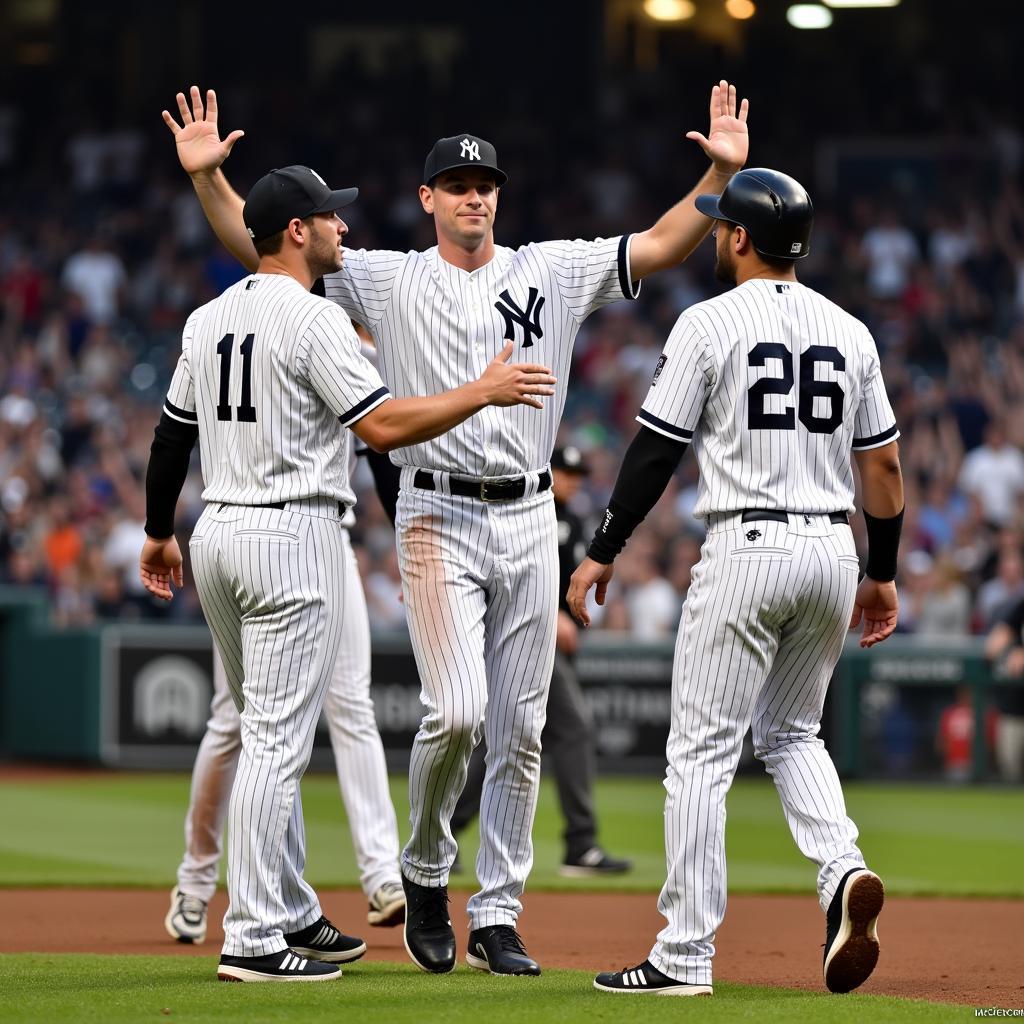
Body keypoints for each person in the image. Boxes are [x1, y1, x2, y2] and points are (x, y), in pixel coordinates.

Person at [161, 80, 749, 976]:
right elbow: (271, 237)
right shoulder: (386, 277)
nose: (475, 195)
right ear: (428, 198)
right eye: (458, 183)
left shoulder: (549, 268)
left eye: (487, 183)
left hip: (528, 515)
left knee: (520, 728)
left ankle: (500, 914)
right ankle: (427, 872)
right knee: (457, 711)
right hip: (434, 508)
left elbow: (665, 242)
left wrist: (717, 172)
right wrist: (210, 180)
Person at [140, 163, 556, 983]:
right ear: (296, 231)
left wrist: (158, 531)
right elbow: (389, 426)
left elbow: (168, 438)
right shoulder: (316, 320)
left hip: (218, 529)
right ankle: (255, 936)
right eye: (329, 217)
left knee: (263, 724)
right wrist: (481, 392)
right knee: (274, 741)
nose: (342, 227)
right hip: (292, 531)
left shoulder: (207, 318)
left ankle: (292, 908)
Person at [568, 168, 905, 996]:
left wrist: (605, 545)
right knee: (793, 733)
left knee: (700, 756)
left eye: (722, 226)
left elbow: (655, 447)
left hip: (747, 546)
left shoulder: (708, 323)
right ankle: (841, 870)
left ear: (742, 237)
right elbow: (887, 467)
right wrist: (884, 573)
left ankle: (684, 954)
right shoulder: (851, 331)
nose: (716, 235)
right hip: (832, 549)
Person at [165, 451, 408, 948]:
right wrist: (156, 524)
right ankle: (195, 880)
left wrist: (405, 540)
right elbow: (174, 432)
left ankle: (382, 874)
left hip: (327, 533)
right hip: (247, 526)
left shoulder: (345, 367)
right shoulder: (229, 366)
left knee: (352, 706)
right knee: (234, 719)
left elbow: (378, 451)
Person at [449, 446, 632, 877]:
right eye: (565, 471)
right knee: (570, 728)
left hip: (542, 638)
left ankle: (445, 833)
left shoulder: (569, 516)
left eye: (578, 472)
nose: (572, 479)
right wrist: (551, 615)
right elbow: (505, 568)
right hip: (522, 630)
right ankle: (580, 844)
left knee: (504, 737)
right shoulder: (526, 507)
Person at [983, 595, 1024, 781]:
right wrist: (1010, 649)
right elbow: (993, 646)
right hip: (1014, 708)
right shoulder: (1019, 605)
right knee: (1010, 772)